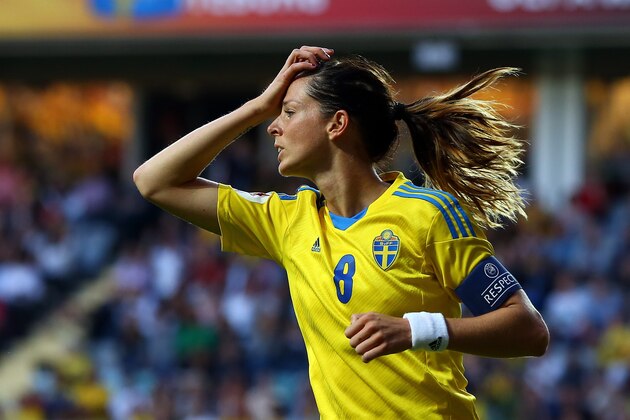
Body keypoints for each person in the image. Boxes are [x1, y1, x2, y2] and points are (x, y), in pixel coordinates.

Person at [133, 46, 550, 419]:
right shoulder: (287, 221)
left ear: (337, 124)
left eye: (290, 112)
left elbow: (527, 330)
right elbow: (154, 181)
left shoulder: (428, 214)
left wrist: (415, 330)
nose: (273, 127)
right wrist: (256, 107)